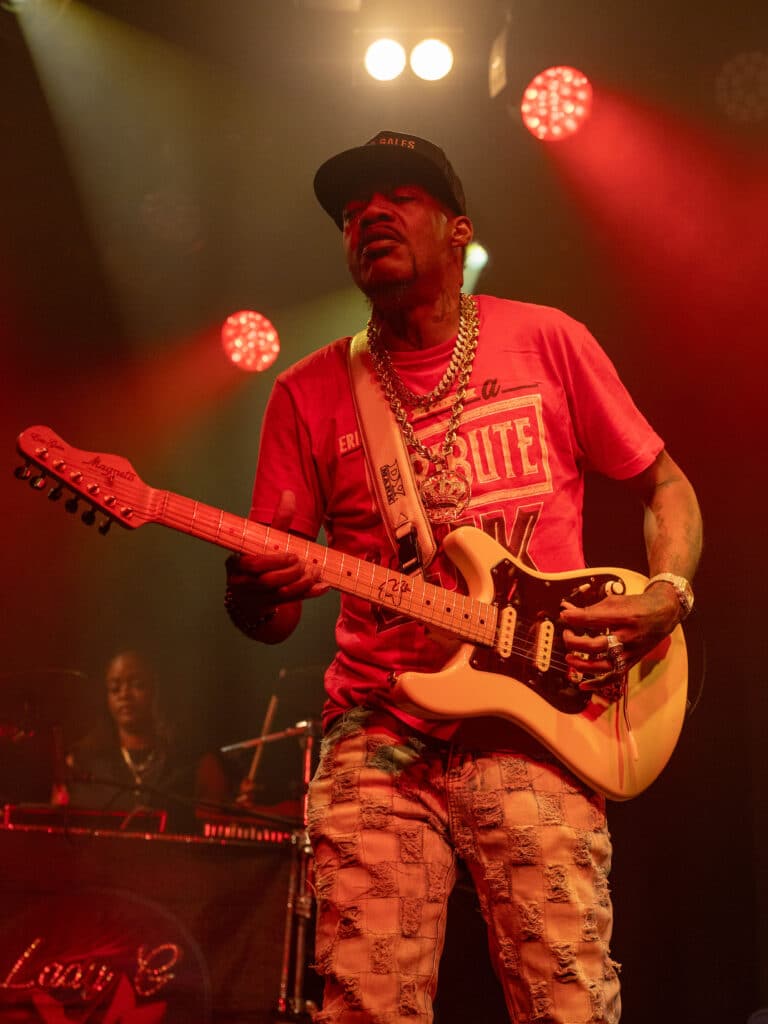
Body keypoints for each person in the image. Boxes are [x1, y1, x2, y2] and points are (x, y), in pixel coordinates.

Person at [224, 131, 702, 1024]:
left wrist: (666, 594)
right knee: (365, 1008)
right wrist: (252, 594)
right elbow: (273, 618)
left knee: (569, 1004)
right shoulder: (305, 391)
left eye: (399, 196)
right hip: (379, 731)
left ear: (458, 230)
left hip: (541, 726)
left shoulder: (547, 339)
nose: (370, 215)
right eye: (351, 211)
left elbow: (665, 486)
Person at [56, 649, 231, 832]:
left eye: (137, 685)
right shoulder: (81, 762)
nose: (124, 695)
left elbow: (215, 831)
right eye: (115, 688)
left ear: (157, 690)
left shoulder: (193, 762)